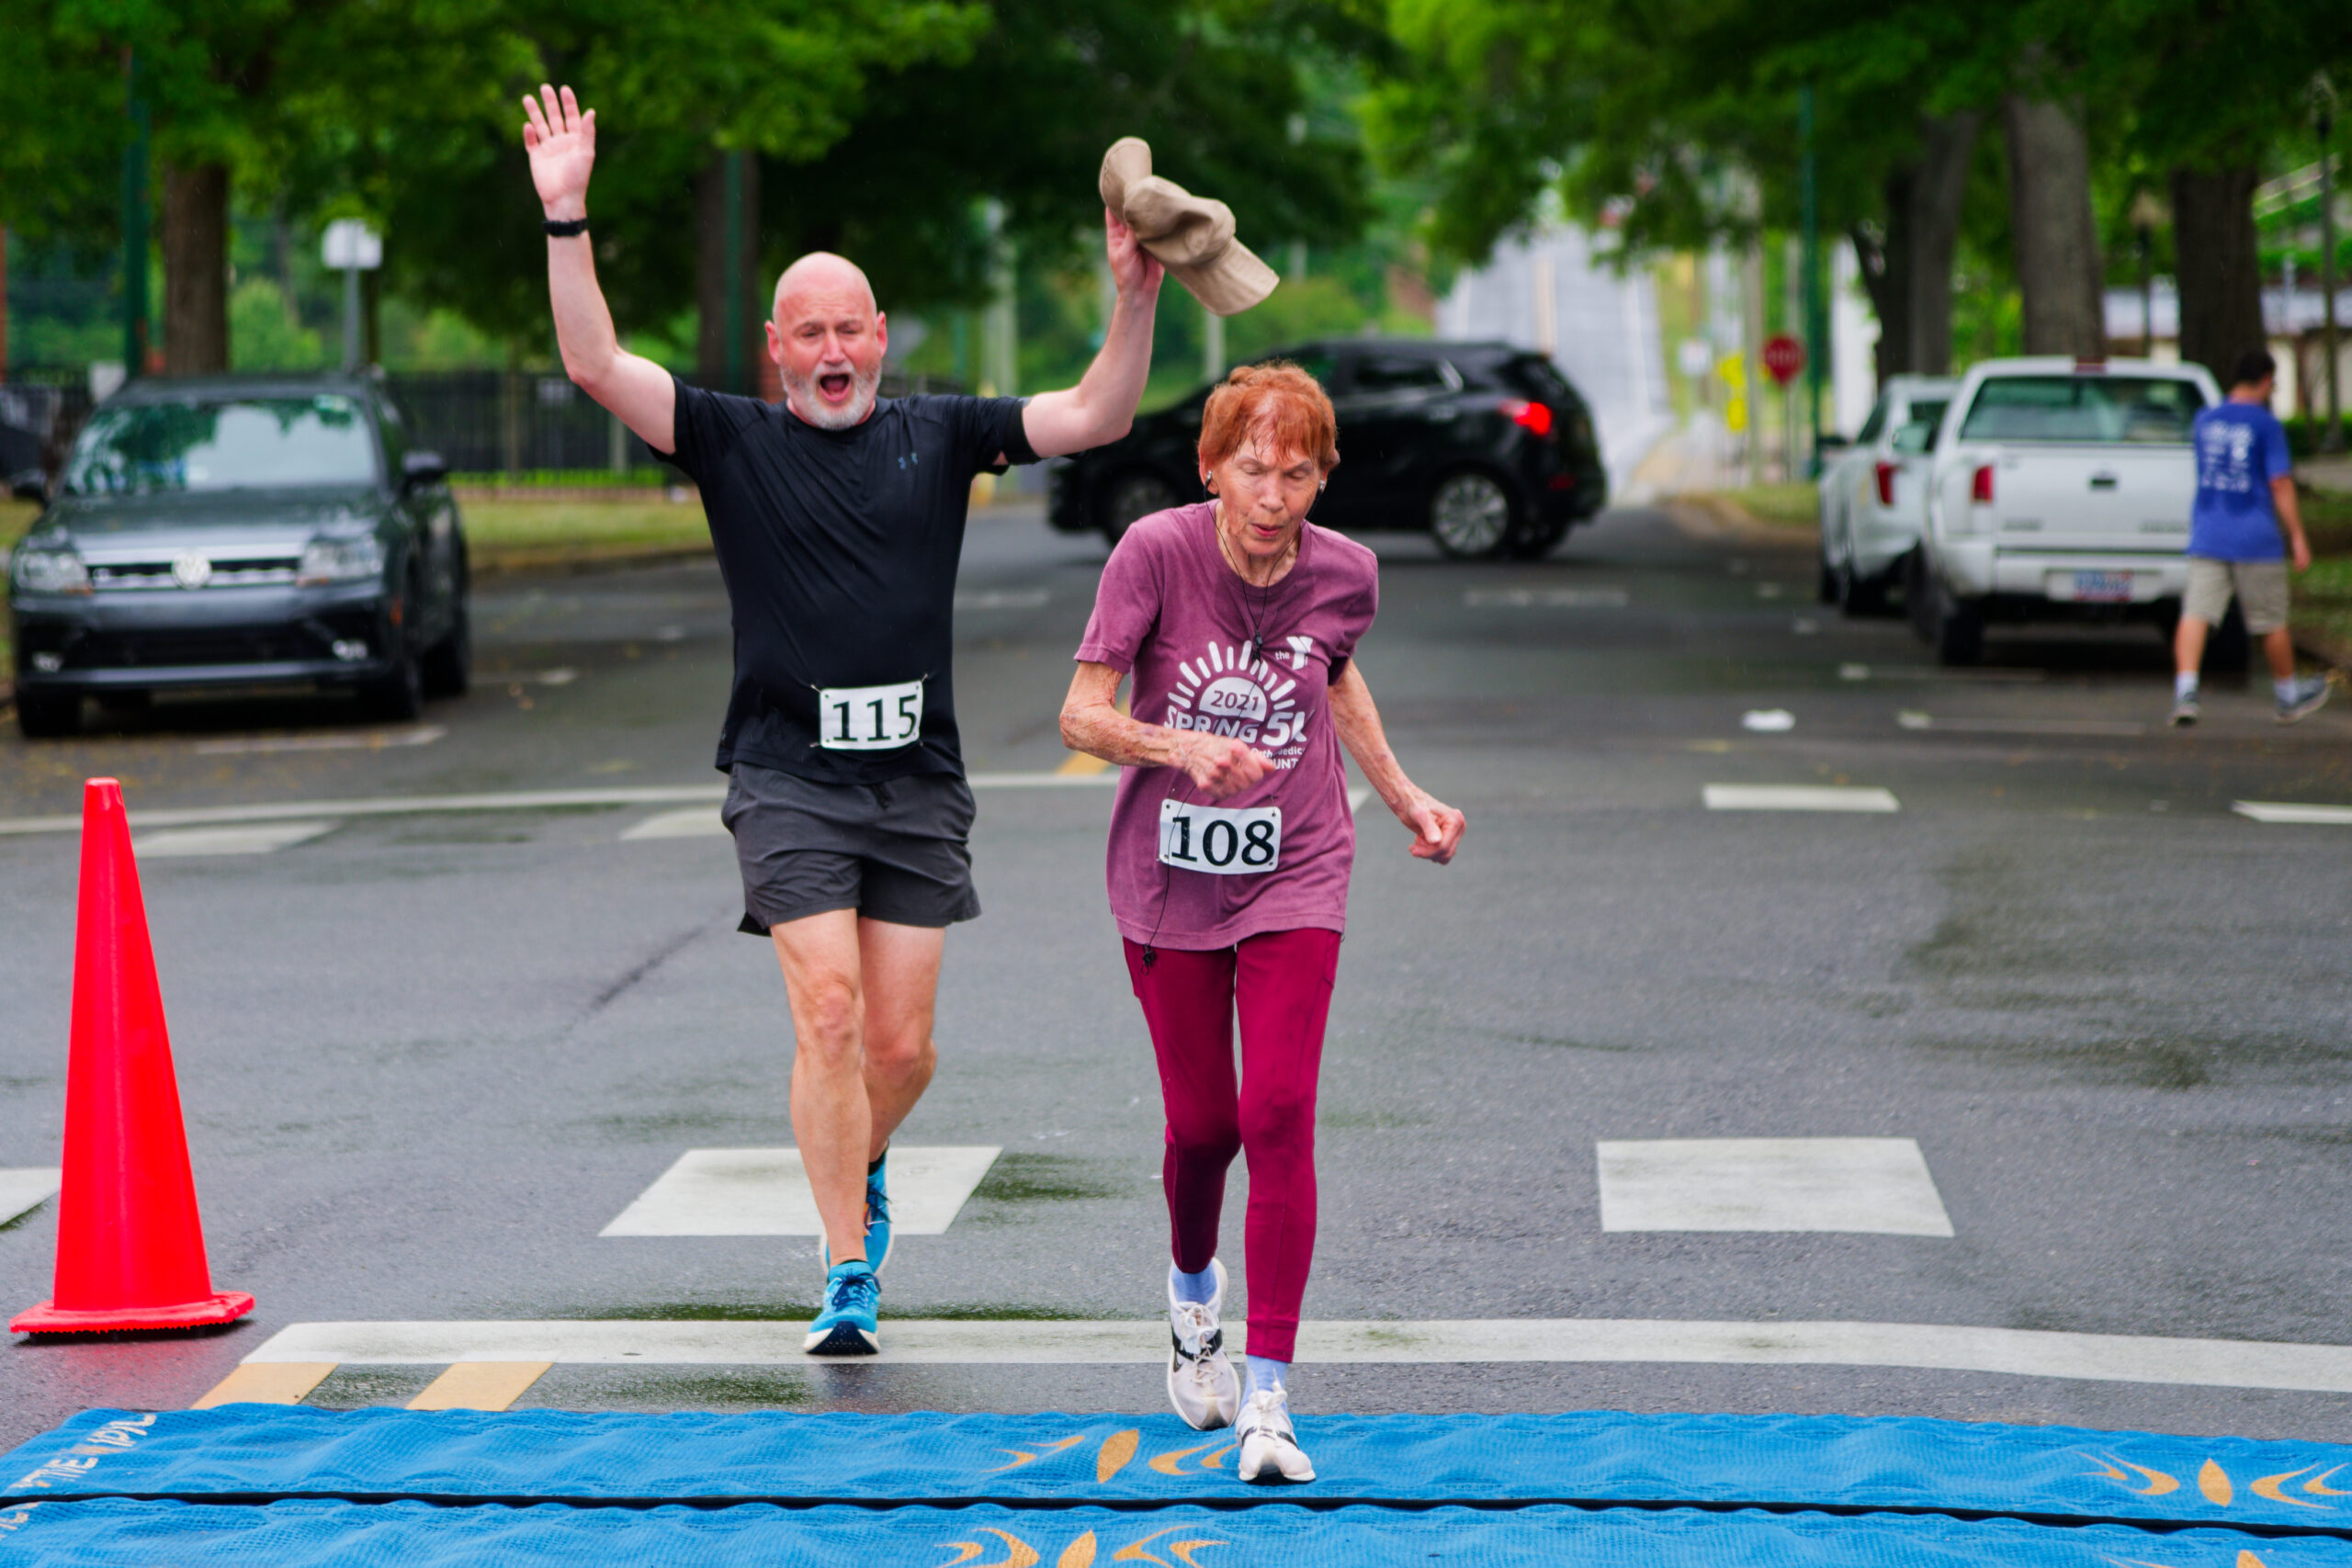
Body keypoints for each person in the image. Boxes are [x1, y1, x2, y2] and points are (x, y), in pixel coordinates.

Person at [522, 84, 1164, 1355]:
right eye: (804, 331)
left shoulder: (943, 432)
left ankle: (854, 1154)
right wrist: (566, 215)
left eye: (847, 330)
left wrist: (1132, 291)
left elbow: (1098, 414)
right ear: (776, 345)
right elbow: (595, 362)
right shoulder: (729, 438)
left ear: (880, 337)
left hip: (916, 782)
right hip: (785, 776)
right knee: (824, 1014)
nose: (828, 351)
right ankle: (846, 1265)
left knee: (899, 1046)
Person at [1059, 362, 1466, 1483]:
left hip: (1298, 867)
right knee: (1204, 1129)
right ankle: (1194, 1300)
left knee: (1277, 1109)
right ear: (1211, 469)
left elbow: (1335, 677)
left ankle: (1271, 1399)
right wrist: (1181, 745)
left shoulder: (1348, 575)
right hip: (1169, 879)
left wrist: (1402, 795)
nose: (1273, 495)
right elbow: (1081, 713)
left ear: (1323, 478)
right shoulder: (1153, 553)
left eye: (1296, 473)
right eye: (1251, 470)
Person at [2171, 349, 2328, 727]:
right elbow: (2280, 483)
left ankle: (2186, 692)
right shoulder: (2265, 424)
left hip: (2208, 532)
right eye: (2273, 384)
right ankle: (2288, 696)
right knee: (2270, 620)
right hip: (2254, 537)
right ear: (2264, 381)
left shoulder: (2204, 419)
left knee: (2196, 613)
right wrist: (2298, 536)